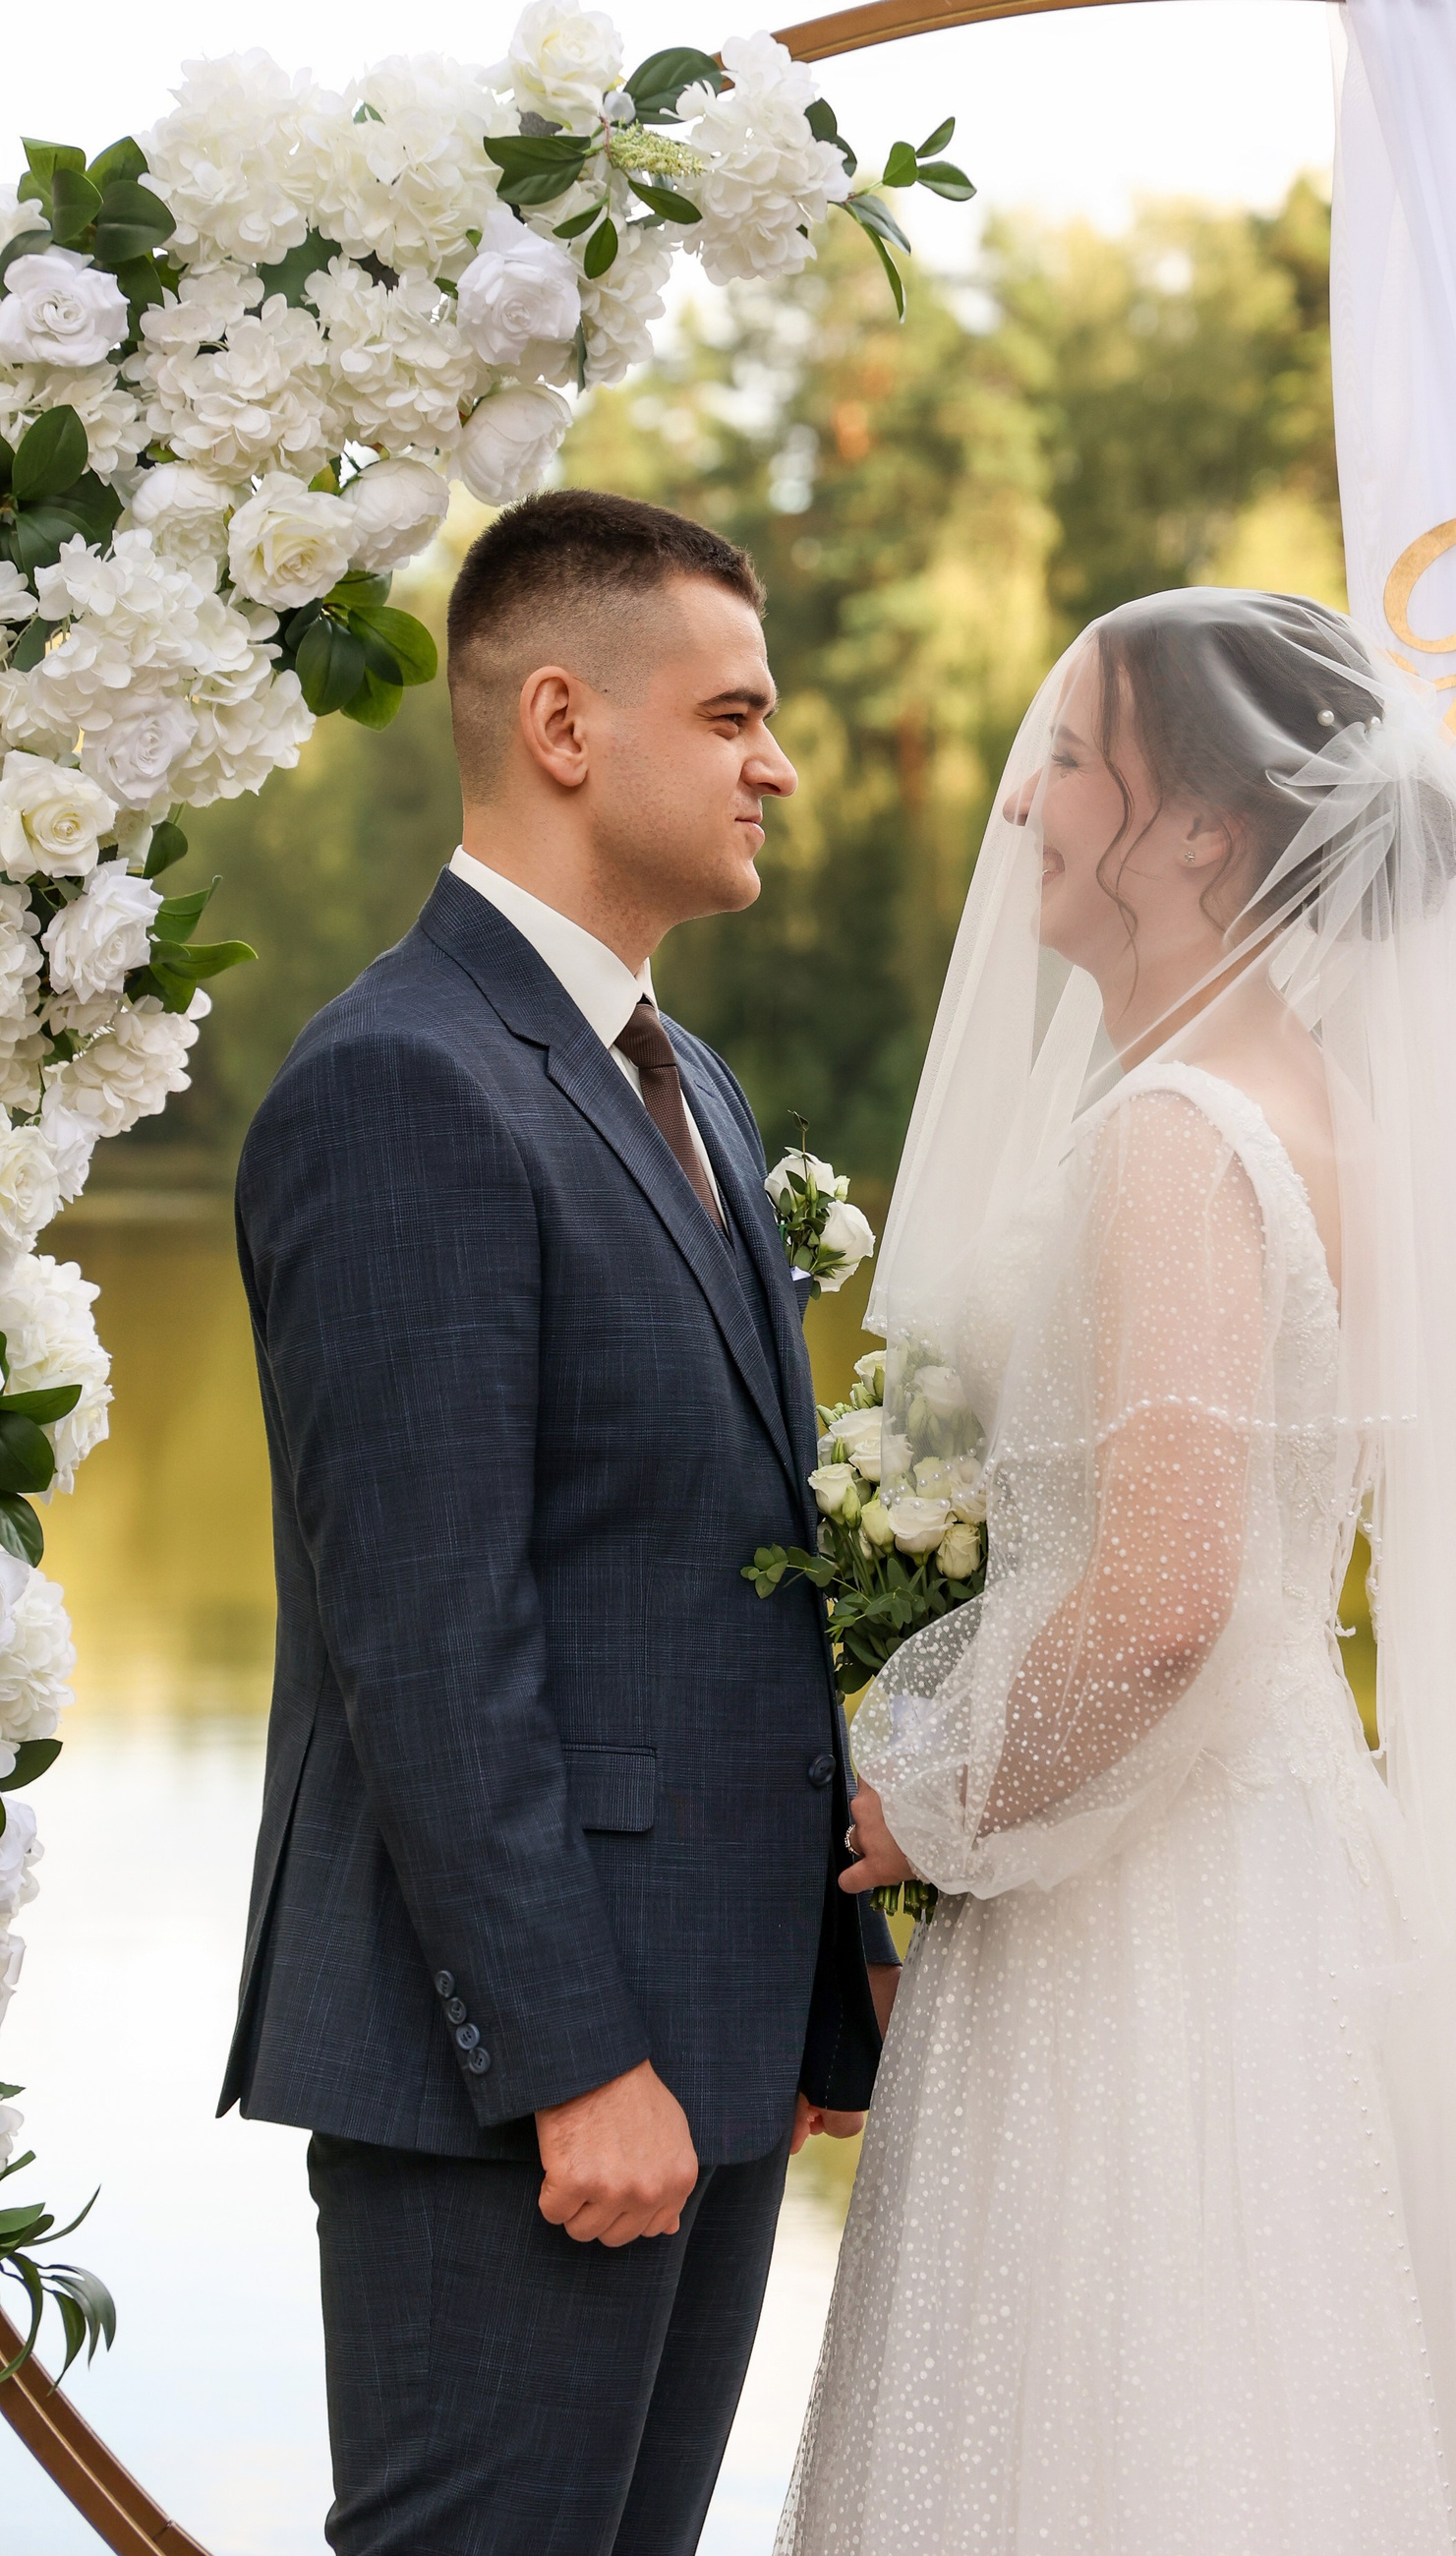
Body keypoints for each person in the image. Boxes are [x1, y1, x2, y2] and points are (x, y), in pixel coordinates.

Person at [780, 589, 1456, 2555]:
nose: (1019, 804)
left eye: (1068, 760)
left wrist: (936, 1794)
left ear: (1200, 826)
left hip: (1141, 1908)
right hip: (1281, 1858)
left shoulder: (1178, 1139)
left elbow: (1168, 1601)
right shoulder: (1328, 1113)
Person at [220, 490, 898, 2556]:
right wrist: (571, 2062)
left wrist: (819, 1976)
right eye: (733, 715)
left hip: (706, 2045)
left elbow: (706, 1565)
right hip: (517, 2078)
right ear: (563, 724)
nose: (778, 765)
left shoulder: (686, 1076)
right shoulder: (402, 1082)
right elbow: (429, 1637)